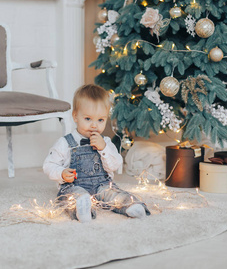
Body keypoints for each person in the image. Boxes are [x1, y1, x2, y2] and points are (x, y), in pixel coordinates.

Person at [43, 84, 150, 223]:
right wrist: (62, 173)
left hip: (102, 185)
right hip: (74, 185)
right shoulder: (65, 143)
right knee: (71, 196)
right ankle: (82, 207)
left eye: (100, 120)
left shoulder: (105, 142)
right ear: (75, 116)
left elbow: (115, 164)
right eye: (88, 119)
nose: (94, 125)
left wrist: (103, 148)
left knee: (114, 194)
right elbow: (48, 165)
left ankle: (131, 205)